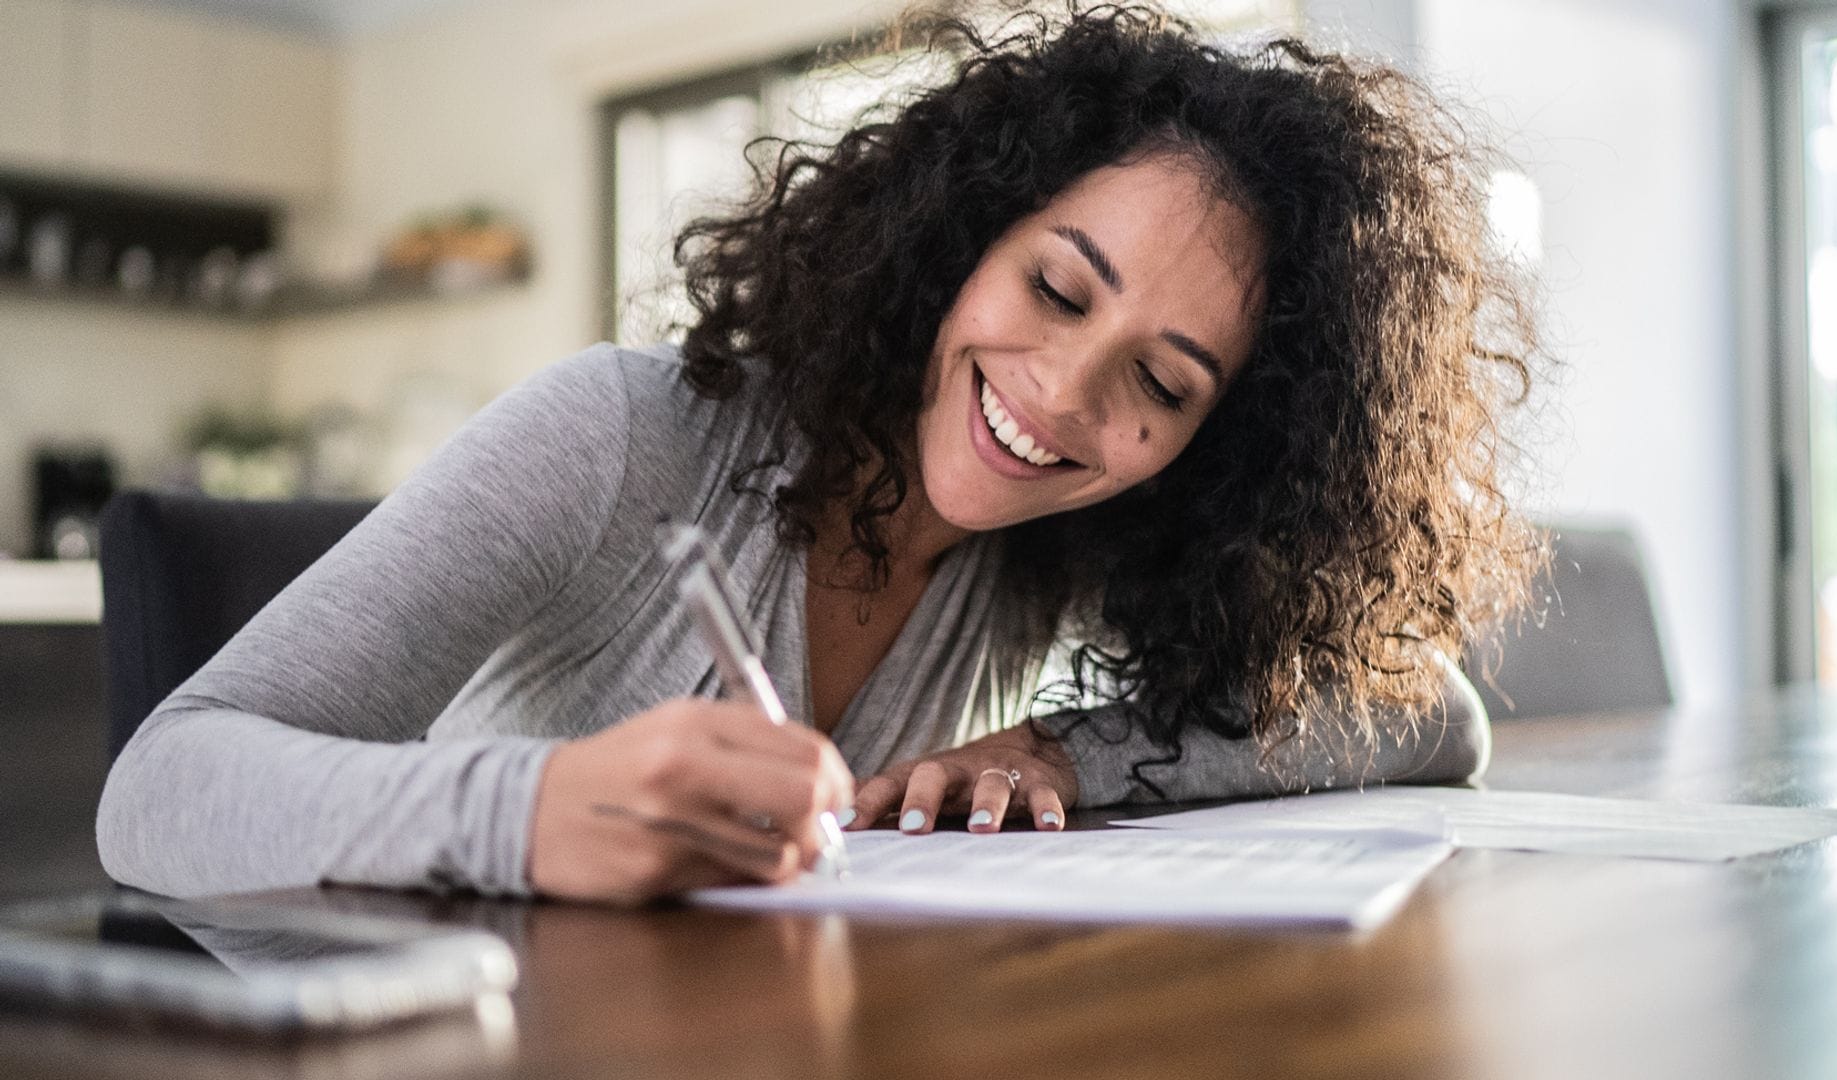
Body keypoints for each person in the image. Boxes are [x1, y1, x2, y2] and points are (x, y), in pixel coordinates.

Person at [96, 3, 1545, 904]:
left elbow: (1431, 718)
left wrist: (1073, 752)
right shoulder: (621, 437)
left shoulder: (1056, 545)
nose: (1056, 397)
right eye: (1053, 289)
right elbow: (158, 790)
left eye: (1161, 386)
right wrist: (531, 813)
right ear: (958, 229)